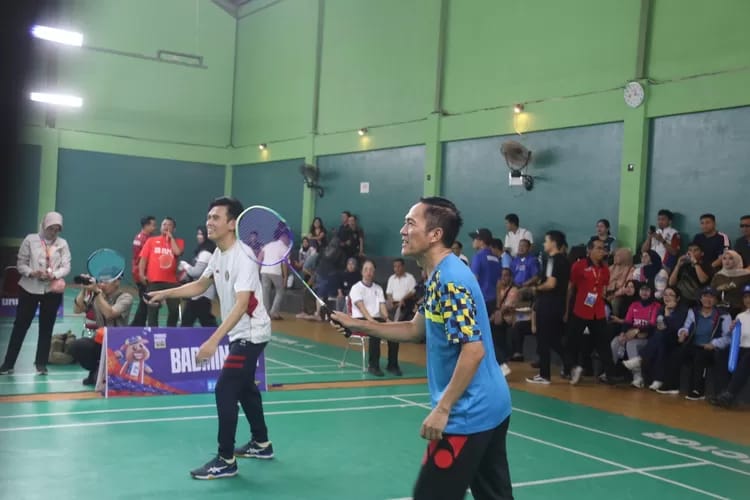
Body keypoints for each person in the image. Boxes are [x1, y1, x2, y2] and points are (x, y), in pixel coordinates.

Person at [331, 197, 513, 500]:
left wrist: (443, 409)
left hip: (469, 411)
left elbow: (473, 350)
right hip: (492, 404)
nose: (403, 231)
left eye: (410, 223)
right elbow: (415, 329)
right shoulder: (439, 275)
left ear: (435, 235)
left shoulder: (451, 280)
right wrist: (358, 325)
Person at [147, 196, 273, 479]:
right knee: (245, 387)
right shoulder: (219, 253)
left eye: (216, 217)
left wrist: (213, 340)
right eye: (208, 217)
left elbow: (242, 304)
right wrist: (165, 293)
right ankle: (261, 443)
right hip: (242, 332)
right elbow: (200, 285)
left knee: (225, 388)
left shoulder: (243, 256)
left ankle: (225, 459)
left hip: (250, 334)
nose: (209, 222)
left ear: (232, 223)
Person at [0, 212, 71, 376]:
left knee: (46, 328)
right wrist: (32, 273)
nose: (53, 232)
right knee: (20, 326)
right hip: (29, 289)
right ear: (44, 225)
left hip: (51, 291)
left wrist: (54, 275)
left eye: (57, 230)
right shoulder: (30, 240)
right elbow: (21, 264)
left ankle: (41, 364)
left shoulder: (62, 244)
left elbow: (66, 266)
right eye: (51, 228)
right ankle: (8, 363)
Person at [566, 239, 615, 385]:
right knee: (572, 341)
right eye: (598, 248)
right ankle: (571, 369)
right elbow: (571, 287)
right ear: (589, 250)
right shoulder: (579, 265)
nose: (602, 251)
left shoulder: (605, 269)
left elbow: (603, 287)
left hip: (598, 311)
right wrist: (566, 309)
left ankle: (610, 374)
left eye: (603, 249)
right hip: (580, 309)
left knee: (603, 343)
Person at [69, 273, 133, 385]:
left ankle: (104, 372)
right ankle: (97, 369)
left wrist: (98, 293)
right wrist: (84, 290)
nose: (102, 285)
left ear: (117, 282)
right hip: (100, 340)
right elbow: (77, 309)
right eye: (101, 282)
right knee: (77, 345)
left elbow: (110, 313)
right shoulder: (96, 295)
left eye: (106, 282)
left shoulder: (125, 297)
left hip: (118, 344)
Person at [526, 230, 570, 385]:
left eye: (546, 241)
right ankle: (572, 365)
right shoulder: (565, 260)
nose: (544, 244)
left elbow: (551, 284)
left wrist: (536, 288)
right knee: (553, 339)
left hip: (547, 305)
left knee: (544, 339)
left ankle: (545, 375)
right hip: (558, 305)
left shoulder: (552, 260)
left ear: (553, 243)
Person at [350, 259, 401, 376]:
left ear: (374, 272)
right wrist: (372, 322)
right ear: (362, 272)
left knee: (394, 331)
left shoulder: (378, 288)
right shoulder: (356, 288)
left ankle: (392, 365)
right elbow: (362, 308)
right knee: (375, 332)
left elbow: (382, 307)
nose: (369, 272)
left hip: (376, 320)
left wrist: (387, 320)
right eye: (366, 269)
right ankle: (373, 366)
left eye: (371, 270)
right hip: (360, 320)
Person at [138, 217, 185, 326]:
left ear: (174, 229)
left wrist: (171, 238)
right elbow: (143, 258)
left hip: (172, 282)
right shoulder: (151, 241)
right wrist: (141, 273)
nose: (166, 227)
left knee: (174, 310)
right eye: (164, 224)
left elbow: (177, 252)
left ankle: (170, 331)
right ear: (160, 227)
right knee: (153, 310)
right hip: (154, 281)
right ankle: (153, 332)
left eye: (169, 225)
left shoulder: (179, 242)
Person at [710, 284, 750, 408]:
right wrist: (732, 330)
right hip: (741, 348)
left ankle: (729, 394)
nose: (748, 299)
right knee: (722, 353)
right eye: (745, 297)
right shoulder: (740, 316)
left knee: (747, 358)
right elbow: (735, 337)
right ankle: (720, 393)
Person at [179, 226, 218, 327]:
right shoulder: (202, 252)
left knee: (204, 322)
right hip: (197, 293)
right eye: (198, 234)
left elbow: (196, 272)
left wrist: (184, 265)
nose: (198, 236)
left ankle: (218, 335)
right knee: (194, 321)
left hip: (203, 294)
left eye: (201, 234)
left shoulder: (206, 253)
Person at [130, 215, 156, 326]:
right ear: (146, 225)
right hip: (142, 274)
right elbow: (143, 259)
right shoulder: (145, 240)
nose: (155, 227)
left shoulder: (140, 237)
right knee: (145, 302)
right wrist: (143, 275)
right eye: (153, 225)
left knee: (144, 301)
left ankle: (137, 324)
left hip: (138, 273)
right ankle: (136, 325)